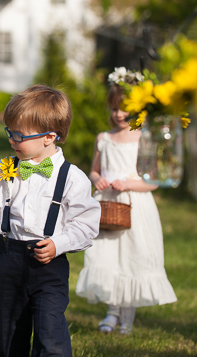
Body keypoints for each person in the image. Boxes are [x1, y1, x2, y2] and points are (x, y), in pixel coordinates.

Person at [0, 84, 101, 357]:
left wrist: (60, 243)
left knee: (49, 333)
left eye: (20, 135)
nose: (13, 140)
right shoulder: (1, 169)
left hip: (48, 265)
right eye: (9, 132)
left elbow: (86, 224)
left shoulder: (72, 178)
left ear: (49, 137)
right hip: (9, 261)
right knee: (7, 332)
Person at [75, 81, 177, 335]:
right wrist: (96, 178)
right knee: (107, 255)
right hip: (108, 204)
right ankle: (111, 313)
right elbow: (95, 169)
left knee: (133, 256)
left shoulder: (144, 137)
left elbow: (153, 180)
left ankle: (127, 319)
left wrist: (129, 183)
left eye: (124, 109)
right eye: (114, 109)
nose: (119, 114)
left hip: (134, 205)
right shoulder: (104, 139)